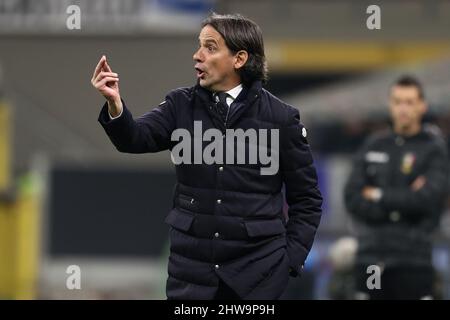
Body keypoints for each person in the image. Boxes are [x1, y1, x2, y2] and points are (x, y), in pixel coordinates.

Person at [92, 13, 322, 300]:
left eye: (210, 47)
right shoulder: (179, 105)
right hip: (191, 277)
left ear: (239, 59)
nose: (197, 56)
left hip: (257, 280)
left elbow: (307, 200)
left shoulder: (281, 119)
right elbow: (135, 139)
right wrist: (115, 105)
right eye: (199, 45)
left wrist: (289, 261)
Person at [344, 75, 449, 299]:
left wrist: (377, 194)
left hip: (414, 259)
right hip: (371, 259)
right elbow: (352, 197)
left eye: (410, 102)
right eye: (398, 101)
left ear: (422, 106)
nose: (403, 108)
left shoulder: (434, 150)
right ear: (390, 105)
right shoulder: (374, 144)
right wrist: (406, 198)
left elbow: (428, 199)